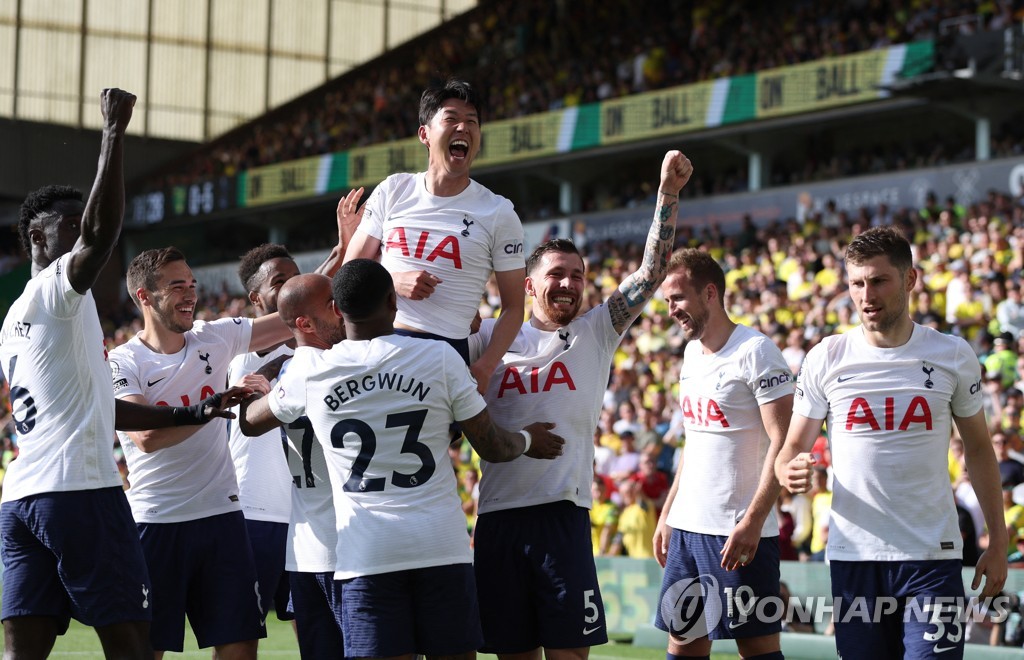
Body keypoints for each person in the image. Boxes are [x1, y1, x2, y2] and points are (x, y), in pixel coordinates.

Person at [0, 89, 246, 660]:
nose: (83, 233)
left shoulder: (14, 319)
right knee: (133, 645)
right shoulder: (58, 291)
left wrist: (192, 411)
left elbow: (100, 409)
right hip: (79, 490)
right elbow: (100, 231)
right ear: (38, 238)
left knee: (22, 651)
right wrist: (113, 131)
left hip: (22, 498)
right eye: (67, 224)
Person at [240, 258, 565, 660]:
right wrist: (529, 439)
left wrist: (258, 388)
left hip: (366, 555)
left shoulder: (312, 372)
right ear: (393, 301)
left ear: (339, 310)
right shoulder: (439, 359)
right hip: (441, 547)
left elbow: (252, 424)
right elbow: (494, 447)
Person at [470, 149, 692, 658]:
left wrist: (668, 195)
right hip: (499, 516)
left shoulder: (596, 331)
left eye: (576, 274)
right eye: (556, 275)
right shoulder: (487, 336)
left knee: (570, 652)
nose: (568, 284)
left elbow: (650, 274)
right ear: (529, 285)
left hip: (563, 515)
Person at [776, 226, 1008, 658]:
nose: (867, 295)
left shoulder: (952, 354)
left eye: (879, 280)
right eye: (857, 283)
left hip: (932, 558)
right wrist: (787, 469)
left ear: (909, 280)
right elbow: (790, 449)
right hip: (853, 558)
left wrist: (998, 540)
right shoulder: (826, 357)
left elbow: (978, 449)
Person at [109, 246, 295, 658]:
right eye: (177, 287)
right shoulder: (122, 361)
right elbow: (147, 437)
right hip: (155, 522)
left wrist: (349, 250)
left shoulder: (215, 336)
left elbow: (292, 316)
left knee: (240, 646)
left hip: (222, 518)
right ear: (144, 296)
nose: (190, 294)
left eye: (193, 285)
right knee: (144, 650)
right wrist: (206, 411)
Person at [651, 248, 794, 660]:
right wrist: (668, 514)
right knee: (682, 647)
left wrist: (753, 521)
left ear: (709, 293)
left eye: (677, 298)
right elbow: (694, 443)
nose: (671, 310)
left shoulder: (757, 351)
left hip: (737, 532)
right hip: (687, 530)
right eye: (667, 302)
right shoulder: (691, 353)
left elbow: (782, 443)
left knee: (758, 649)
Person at [342, 78, 525, 392]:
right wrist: (392, 281)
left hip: (445, 355)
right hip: (376, 346)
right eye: (451, 119)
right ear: (425, 134)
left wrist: (484, 366)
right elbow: (348, 274)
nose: (463, 128)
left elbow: (514, 308)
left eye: (472, 122)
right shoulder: (393, 189)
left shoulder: (499, 212)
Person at [226, 233, 350, 643]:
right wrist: (337, 257)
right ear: (257, 300)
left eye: (296, 278)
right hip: (255, 513)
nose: (292, 287)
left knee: (315, 635)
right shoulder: (243, 354)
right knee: (241, 639)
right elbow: (296, 335)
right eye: (280, 282)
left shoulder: (314, 352)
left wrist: (341, 253)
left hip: (303, 521)